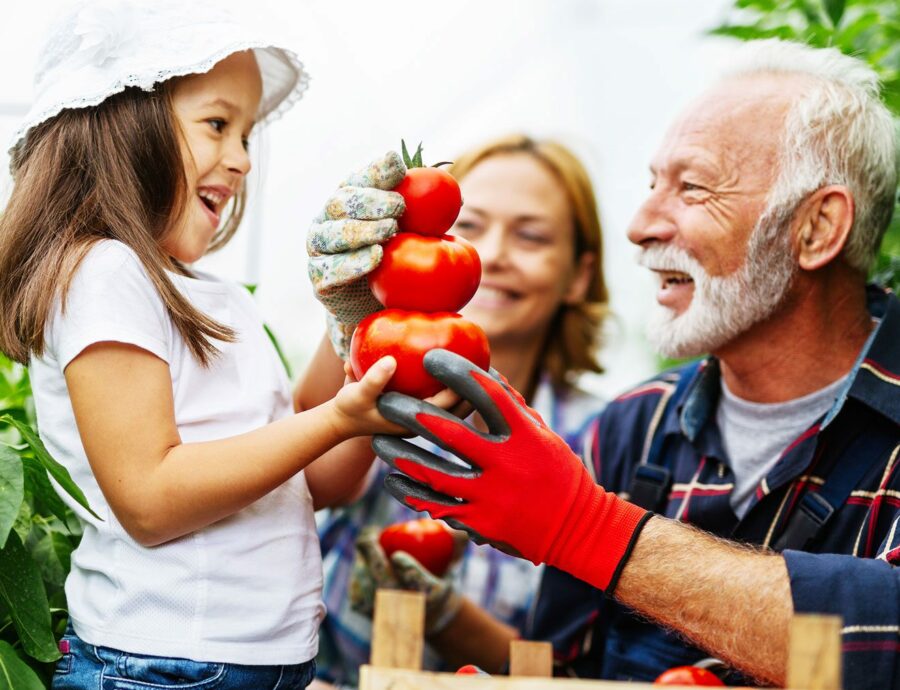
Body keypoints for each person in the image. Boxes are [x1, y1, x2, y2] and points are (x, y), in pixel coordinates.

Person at [369, 39, 900, 689]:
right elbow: (561, 668)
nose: (641, 224)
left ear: (817, 228)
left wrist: (584, 525)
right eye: (653, 186)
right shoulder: (633, 428)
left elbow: (886, 630)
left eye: (692, 189)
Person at [0, 3, 422, 689]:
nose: (243, 159)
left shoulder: (211, 296)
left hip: (248, 663)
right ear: (121, 125)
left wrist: (349, 322)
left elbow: (322, 479)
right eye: (218, 125)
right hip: (163, 666)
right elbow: (151, 498)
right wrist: (341, 417)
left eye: (248, 134)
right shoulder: (104, 272)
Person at [307, 135, 608, 687]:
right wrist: (352, 319)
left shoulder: (603, 435)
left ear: (579, 275)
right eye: (469, 226)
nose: (492, 254)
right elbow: (309, 469)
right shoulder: (377, 364)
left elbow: (577, 668)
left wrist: (447, 618)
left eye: (532, 236)